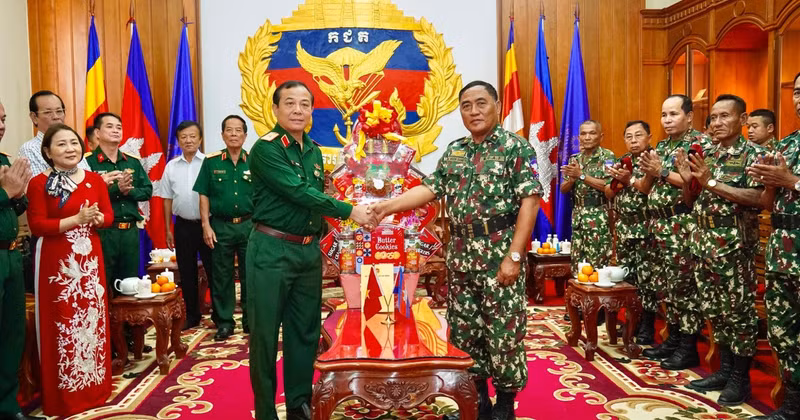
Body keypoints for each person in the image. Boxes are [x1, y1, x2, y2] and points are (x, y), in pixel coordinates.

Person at [371, 80, 542, 420]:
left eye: (481, 103)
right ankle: (478, 401)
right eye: (467, 105)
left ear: (496, 106)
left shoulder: (515, 147)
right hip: (462, 257)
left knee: (503, 332)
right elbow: (431, 188)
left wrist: (515, 256)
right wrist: (388, 206)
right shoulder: (456, 150)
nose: (474, 111)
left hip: (499, 256)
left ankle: (505, 405)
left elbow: (530, 201)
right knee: (465, 332)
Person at [246, 80, 375, 420]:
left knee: (303, 332)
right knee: (264, 334)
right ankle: (264, 412)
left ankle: (298, 406)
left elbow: (317, 202)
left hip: (306, 252)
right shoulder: (266, 149)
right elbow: (299, 192)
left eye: (305, 104)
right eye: (290, 103)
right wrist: (350, 212)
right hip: (271, 250)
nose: (298, 110)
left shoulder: (314, 151)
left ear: (312, 111)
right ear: (275, 109)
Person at [676, 94, 762, 406]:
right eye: (713, 117)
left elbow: (759, 199)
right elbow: (690, 202)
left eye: (725, 116)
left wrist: (711, 182)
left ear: (742, 120)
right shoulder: (706, 154)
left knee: (738, 314)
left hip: (734, 247)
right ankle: (724, 370)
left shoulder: (755, 154)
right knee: (714, 310)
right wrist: (689, 181)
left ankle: (741, 378)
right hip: (702, 244)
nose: (717, 123)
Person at [26, 123, 114, 416]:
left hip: (90, 262)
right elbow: (38, 226)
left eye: (74, 143)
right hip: (57, 263)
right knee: (63, 324)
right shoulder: (40, 183)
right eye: (61, 144)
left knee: (91, 321)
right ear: (48, 152)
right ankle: (64, 395)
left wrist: (97, 218)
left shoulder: (94, 180)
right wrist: (77, 219)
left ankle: (95, 388)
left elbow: (108, 216)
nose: (70, 149)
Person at [638, 95, 709, 370]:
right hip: (659, 226)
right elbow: (647, 188)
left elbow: (693, 184)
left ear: (689, 116)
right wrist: (649, 172)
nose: (667, 120)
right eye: (664, 115)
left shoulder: (698, 144)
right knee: (667, 288)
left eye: (673, 114)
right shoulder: (663, 145)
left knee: (684, 288)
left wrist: (661, 170)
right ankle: (673, 339)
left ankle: (688, 347)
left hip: (682, 226)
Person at [747, 71, 800, 419]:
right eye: (797, 92)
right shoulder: (786, 144)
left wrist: (791, 180)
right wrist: (766, 182)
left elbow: (789, 183)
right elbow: (769, 203)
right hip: (782, 248)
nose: (799, 98)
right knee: (783, 330)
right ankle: (794, 400)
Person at [193, 115, 252, 340]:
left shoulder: (254, 161)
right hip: (220, 226)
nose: (234, 134)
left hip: (249, 226)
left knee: (251, 276)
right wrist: (206, 226)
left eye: (239, 130)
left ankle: (250, 321)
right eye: (230, 130)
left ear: (245, 136)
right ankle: (225, 322)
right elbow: (203, 194)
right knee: (222, 276)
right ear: (223, 135)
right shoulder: (212, 161)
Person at [0, 100, 41, 420]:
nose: (2, 125)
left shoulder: (4, 161)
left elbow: (17, 205)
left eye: (3, 119)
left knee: (12, 334)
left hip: (11, 253)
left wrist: (17, 193)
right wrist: (4, 192)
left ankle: (8, 406)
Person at [604, 120, 658, 345]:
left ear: (649, 136)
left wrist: (630, 180)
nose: (633, 140)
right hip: (625, 228)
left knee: (648, 281)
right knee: (628, 279)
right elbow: (608, 192)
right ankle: (631, 321)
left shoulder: (652, 160)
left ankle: (646, 327)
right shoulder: (621, 161)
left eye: (638, 135)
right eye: (629, 136)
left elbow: (646, 188)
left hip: (646, 228)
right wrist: (617, 182)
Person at [86, 113, 152, 292]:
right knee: (102, 285)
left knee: (129, 285)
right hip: (104, 232)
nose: (115, 130)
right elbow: (86, 197)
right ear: (97, 133)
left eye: (119, 127)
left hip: (130, 232)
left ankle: (128, 321)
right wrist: (116, 190)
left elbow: (147, 191)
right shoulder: (87, 162)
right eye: (110, 126)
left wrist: (129, 191)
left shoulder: (132, 161)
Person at [156, 120, 212, 330]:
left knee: (214, 270)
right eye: (183, 137)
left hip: (208, 225)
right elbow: (166, 198)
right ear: (178, 140)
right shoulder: (171, 166)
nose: (188, 140)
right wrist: (168, 229)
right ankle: (192, 315)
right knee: (187, 272)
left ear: (200, 139)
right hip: (183, 226)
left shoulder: (209, 162)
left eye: (192, 136)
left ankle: (219, 314)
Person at [560, 120, 615, 277]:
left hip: (598, 217)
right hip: (578, 217)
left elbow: (608, 186)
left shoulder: (607, 157)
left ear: (601, 136)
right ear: (579, 137)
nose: (587, 137)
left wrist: (581, 175)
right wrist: (571, 180)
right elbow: (563, 189)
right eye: (583, 133)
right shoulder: (574, 159)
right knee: (578, 266)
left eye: (592, 133)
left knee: (598, 266)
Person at [18, 91, 90, 176]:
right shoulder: (29, 148)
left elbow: (88, 176)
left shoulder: (73, 144)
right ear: (34, 117)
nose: (56, 117)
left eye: (59, 111)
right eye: (48, 112)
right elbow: (40, 186)